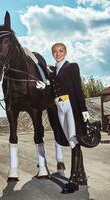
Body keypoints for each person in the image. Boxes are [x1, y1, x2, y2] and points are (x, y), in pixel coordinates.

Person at [38, 42, 90, 193]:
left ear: (65, 52)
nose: (58, 54)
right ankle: (82, 175)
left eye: (60, 51)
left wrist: (83, 109)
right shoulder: (52, 73)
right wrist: (45, 87)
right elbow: (53, 90)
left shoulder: (72, 67)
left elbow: (78, 89)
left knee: (74, 141)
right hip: (59, 107)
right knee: (71, 141)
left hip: (70, 106)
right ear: (52, 53)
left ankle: (74, 181)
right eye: (55, 52)